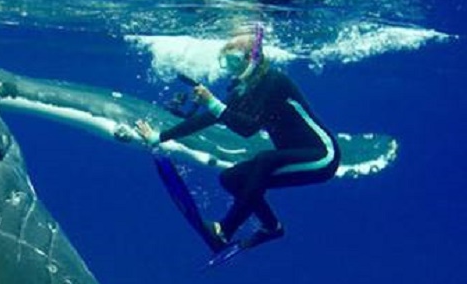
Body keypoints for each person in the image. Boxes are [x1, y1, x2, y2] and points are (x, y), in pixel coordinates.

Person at [135, 27, 340, 250]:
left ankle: (223, 231)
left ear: (253, 58)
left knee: (265, 160)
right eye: (226, 62)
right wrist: (159, 137)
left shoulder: (274, 82)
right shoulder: (244, 90)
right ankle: (271, 228)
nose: (231, 69)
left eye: (234, 60)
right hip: (295, 158)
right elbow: (207, 119)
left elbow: (247, 129)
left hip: (322, 155)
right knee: (231, 179)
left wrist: (214, 103)